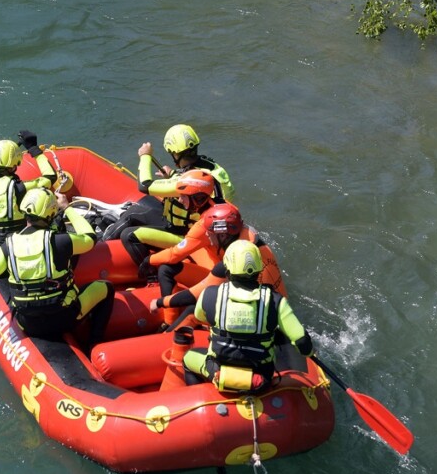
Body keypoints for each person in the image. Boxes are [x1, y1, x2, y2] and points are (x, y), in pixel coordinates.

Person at [0, 187, 115, 350]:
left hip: (28, 325)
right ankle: (95, 342)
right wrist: (67, 208)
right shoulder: (62, 242)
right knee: (105, 288)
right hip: (64, 319)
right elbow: (90, 238)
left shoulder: (7, 247)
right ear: (51, 214)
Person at [176, 240, 313, 392]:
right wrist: (309, 352)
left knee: (188, 358)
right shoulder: (276, 301)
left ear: (227, 269)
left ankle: (202, 398)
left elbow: (199, 316)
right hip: (260, 380)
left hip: (218, 372)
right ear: (259, 269)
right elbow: (302, 341)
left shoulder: (209, 295)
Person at [145, 202, 287, 327]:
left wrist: (160, 302)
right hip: (274, 306)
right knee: (168, 270)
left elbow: (193, 295)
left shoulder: (231, 263)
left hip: (257, 316)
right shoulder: (252, 246)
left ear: (223, 235)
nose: (206, 236)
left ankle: (168, 340)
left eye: (210, 233)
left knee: (191, 311)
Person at [111, 123, 235, 266]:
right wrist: (172, 174)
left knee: (129, 229)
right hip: (199, 227)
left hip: (186, 234)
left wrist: (145, 156)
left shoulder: (186, 181)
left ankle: (149, 274)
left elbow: (144, 185)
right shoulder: (213, 168)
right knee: (135, 211)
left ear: (176, 153)